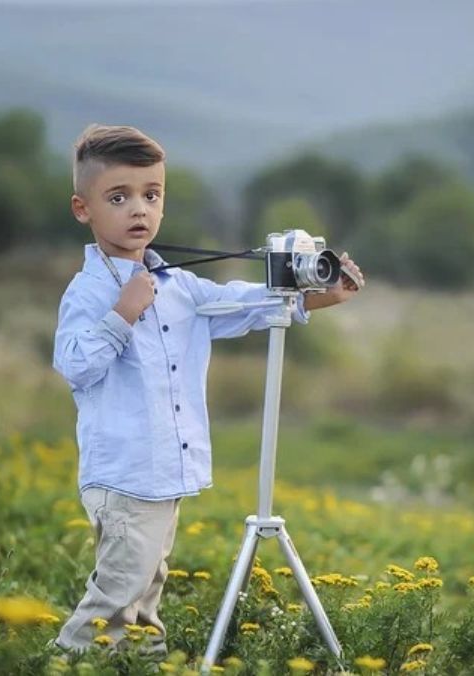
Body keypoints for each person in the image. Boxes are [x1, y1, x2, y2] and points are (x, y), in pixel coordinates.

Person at [51, 124, 364, 653]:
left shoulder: (180, 285)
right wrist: (122, 314)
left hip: (164, 471)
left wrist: (318, 296)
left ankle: (142, 660)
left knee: (147, 586)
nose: (139, 211)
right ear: (83, 209)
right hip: (125, 473)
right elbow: (74, 366)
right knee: (118, 590)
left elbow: (240, 303)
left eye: (151, 196)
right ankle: (66, 661)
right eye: (119, 197)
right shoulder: (90, 291)